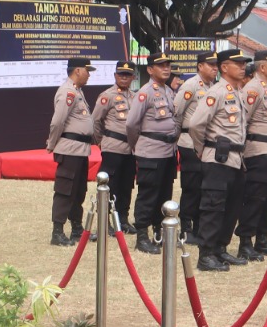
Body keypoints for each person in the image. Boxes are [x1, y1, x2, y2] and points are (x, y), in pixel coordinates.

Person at [186, 48, 250, 271]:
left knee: (232, 206)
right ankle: (206, 255)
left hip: (236, 158)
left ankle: (220, 248)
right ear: (224, 67)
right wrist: (201, 148)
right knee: (213, 206)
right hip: (217, 158)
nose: (243, 67)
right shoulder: (217, 92)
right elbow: (196, 124)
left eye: (244, 63)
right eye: (238, 63)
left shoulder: (238, 92)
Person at [235, 50, 267, 261]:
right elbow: (242, 120)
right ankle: (246, 241)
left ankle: (262, 238)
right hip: (259, 151)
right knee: (255, 197)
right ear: (263, 67)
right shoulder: (253, 88)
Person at [125, 53, 179, 254]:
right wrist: (137, 145)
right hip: (151, 151)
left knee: (164, 193)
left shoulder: (169, 91)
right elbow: (131, 124)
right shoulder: (145, 92)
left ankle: (159, 232)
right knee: (148, 194)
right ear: (149, 70)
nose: (166, 68)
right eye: (161, 65)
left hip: (168, 152)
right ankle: (142, 236)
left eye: (168, 65)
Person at [46, 57, 95, 246]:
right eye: (87, 71)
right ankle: (57, 232)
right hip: (70, 149)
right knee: (65, 190)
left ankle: (76, 229)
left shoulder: (77, 91)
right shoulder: (68, 91)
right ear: (77, 71)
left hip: (81, 150)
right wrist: (52, 143)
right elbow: (57, 121)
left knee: (78, 191)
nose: (89, 75)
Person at [174, 51, 218, 240]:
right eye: (211, 65)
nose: (215, 68)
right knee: (191, 187)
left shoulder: (214, 87)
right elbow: (176, 112)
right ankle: (186, 227)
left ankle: (199, 225)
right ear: (200, 66)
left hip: (207, 143)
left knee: (204, 186)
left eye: (216, 65)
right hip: (189, 142)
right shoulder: (190, 85)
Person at [91, 61, 137, 230]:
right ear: (115, 76)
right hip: (113, 147)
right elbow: (95, 121)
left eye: (127, 75)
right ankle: (106, 222)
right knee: (110, 185)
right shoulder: (107, 96)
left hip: (130, 149)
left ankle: (123, 220)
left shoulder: (135, 97)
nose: (124, 77)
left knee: (127, 185)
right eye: (121, 74)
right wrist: (100, 141)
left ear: (133, 77)